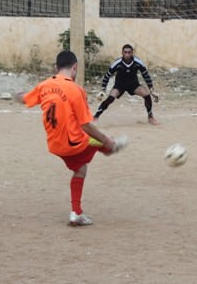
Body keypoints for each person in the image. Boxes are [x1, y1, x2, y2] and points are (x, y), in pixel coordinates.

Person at [16, 51, 128, 227]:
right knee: (99, 142)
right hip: (74, 144)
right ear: (75, 67)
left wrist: (19, 94)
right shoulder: (76, 90)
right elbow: (86, 126)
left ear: (56, 67)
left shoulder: (45, 85)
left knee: (80, 169)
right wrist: (106, 140)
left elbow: (24, 98)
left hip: (54, 144)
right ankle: (112, 145)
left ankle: (76, 213)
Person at [94, 44, 159, 125]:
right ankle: (95, 117)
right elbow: (107, 76)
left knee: (146, 95)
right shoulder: (117, 63)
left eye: (129, 52)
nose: (127, 54)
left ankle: (150, 117)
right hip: (119, 85)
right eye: (125, 52)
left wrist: (151, 89)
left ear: (132, 53)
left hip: (133, 85)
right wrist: (103, 89)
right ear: (122, 53)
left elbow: (145, 75)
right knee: (110, 98)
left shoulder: (138, 62)